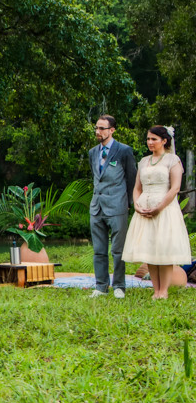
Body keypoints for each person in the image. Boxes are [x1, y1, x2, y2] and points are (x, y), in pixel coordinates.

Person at [122, 126, 192, 299]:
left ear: (164, 140)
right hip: (145, 207)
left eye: (154, 139)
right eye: (148, 139)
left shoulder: (172, 160)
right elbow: (137, 188)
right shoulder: (144, 161)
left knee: (164, 250)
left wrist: (159, 207)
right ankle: (156, 290)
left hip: (165, 208)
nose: (150, 142)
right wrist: (137, 204)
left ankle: (164, 291)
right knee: (150, 249)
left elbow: (175, 187)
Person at [89, 115, 137, 298]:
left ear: (112, 130)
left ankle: (119, 285)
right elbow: (96, 178)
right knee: (99, 250)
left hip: (117, 205)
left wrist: (129, 204)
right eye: (96, 128)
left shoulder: (124, 151)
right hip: (96, 207)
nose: (98, 132)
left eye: (102, 128)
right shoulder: (93, 152)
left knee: (118, 250)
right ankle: (101, 286)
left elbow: (131, 178)